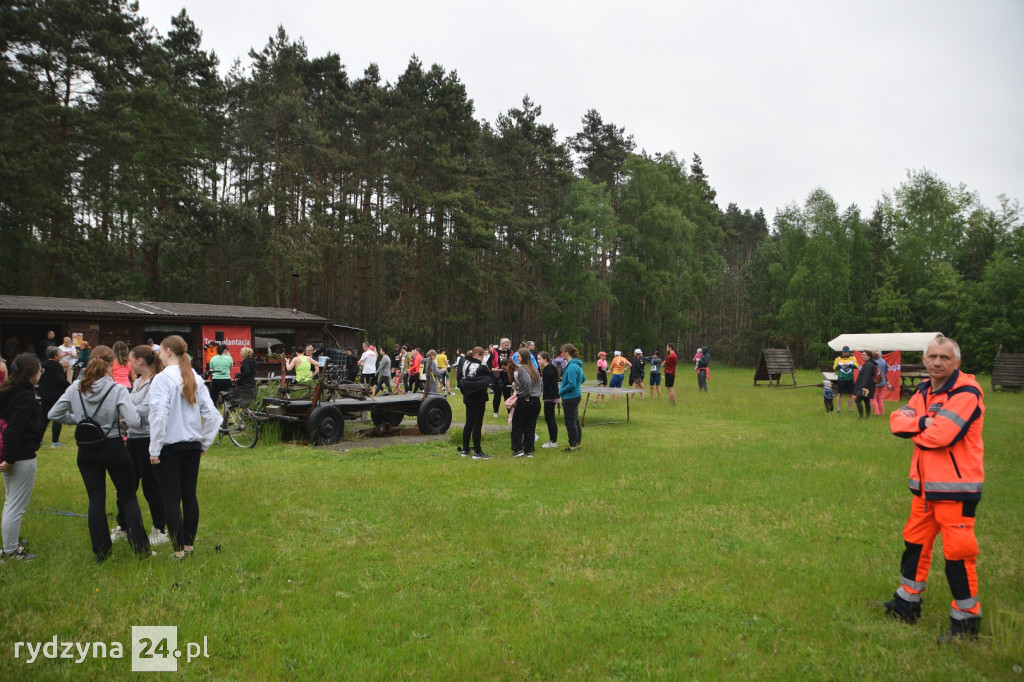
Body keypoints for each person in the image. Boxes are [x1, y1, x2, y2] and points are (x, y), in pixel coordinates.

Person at [883, 337, 985, 642]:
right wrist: (927, 421)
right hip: (924, 491)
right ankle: (906, 605)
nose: (937, 362)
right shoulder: (924, 390)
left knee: (958, 556)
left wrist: (918, 427)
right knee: (915, 545)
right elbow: (896, 422)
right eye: (932, 356)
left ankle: (966, 623)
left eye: (944, 357)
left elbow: (942, 436)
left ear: (956, 363)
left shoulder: (967, 392)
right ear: (925, 360)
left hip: (956, 492)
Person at [47, 345, 150, 562]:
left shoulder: (76, 387)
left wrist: (78, 420)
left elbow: (53, 413)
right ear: (110, 366)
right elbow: (133, 421)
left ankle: (102, 551)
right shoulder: (117, 390)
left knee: (95, 500)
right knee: (128, 497)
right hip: (113, 446)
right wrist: (119, 422)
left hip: (87, 450)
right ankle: (140, 548)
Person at [148, 335, 220, 560]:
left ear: (169, 351)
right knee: (189, 496)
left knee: (172, 498)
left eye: (160, 350)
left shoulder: (162, 379)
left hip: (171, 445)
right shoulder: (195, 378)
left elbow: (159, 415)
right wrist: (203, 442)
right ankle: (188, 546)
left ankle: (179, 550)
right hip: (191, 445)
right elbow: (213, 416)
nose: (158, 355)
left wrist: (154, 448)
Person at [111, 345, 168, 546]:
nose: (129, 363)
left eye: (131, 360)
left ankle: (160, 528)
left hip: (147, 438)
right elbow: (131, 405)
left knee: (151, 485)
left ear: (140, 361)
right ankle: (123, 525)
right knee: (127, 484)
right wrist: (128, 415)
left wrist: (128, 413)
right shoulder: (137, 382)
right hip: (133, 438)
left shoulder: (155, 382)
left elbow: (146, 408)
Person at [0, 353, 44, 561]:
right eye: (39, 370)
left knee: (11, 501)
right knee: (16, 506)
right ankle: (9, 551)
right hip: (20, 457)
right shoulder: (24, 396)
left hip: (10, 456)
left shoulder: (7, 391)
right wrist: (9, 458)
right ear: (32, 373)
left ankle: (11, 541)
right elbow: (14, 429)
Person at [458, 347, 493, 460]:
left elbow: (460, 378)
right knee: (477, 424)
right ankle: (477, 451)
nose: (483, 359)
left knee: (469, 422)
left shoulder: (464, 363)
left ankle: (465, 449)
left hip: (467, 396)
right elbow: (490, 378)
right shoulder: (482, 367)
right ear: (477, 355)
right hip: (479, 398)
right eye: (482, 356)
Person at [510, 349, 542, 458]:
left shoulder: (522, 368)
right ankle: (529, 450)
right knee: (530, 425)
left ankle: (518, 449)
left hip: (526, 399)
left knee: (518, 424)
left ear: (523, 357)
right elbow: (539, 384)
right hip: (536, 400)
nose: (517, 358)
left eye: (518, 356)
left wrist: (523, 393)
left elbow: (528, 382)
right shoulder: (534, 369)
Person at [38, 346, 70, 448]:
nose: (61, 355)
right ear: (56, 356)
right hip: (55, 395)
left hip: (44, 394)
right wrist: (68, 384)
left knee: (43, 418)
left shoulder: (42, 365)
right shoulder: (57, 366)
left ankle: (38, 440)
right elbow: (60, 380)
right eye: (60, 354)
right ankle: (55, 442)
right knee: (57, 417)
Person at [558, 344, 585, 452]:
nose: (561, 355)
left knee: (570, 422)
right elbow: (583, 378)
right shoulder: (576, 365)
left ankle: (572, 445)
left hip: (570, 397)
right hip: (575, 395)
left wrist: (560, 391)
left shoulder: (572, 366)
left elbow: (572, 384)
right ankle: (577, 444)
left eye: (562, 352)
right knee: (575, 420)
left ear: (566, 353)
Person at [539, 351, 560, 449]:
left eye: (539, 359)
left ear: (545, 359)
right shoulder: (549, 368)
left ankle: (553, 441)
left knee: (549, 418)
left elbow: (547, 383)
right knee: (551, 418)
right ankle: (553, 440)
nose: (538, 361)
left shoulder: (548, 369)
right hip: (551, 395)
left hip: (550, 396)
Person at [489, 339, 514, 417]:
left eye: (508, 345)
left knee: (508, 395)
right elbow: (488, 362)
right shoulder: (495, 351)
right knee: (497, 395)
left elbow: (513, 362)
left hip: (507, 376)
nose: (506, 347)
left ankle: (509, 412)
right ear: (501, 344)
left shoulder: (510, 352)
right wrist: (493, 369)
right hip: (498, 376)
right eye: (505, 345)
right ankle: (495, 412)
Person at [832, 345, 859, 414]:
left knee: (850, 394)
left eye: (847, 352)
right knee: (840, 394)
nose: (846, 354)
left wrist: (849, 365)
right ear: (842, 352)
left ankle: (851, 409)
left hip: (850, 378)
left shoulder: (852, 358)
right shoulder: (838, 358)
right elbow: (834, 368)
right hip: (841, 378)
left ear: (849, 352)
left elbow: (857, 366)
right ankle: (839, 409)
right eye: (844, 352)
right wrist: (839, 366)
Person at [854, 350, 878, 419]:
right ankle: (867, 417)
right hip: (869, 385)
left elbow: (866, 376)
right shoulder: (871, 363)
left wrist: (863, 386)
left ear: (868, 356)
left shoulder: (868, 365)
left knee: (858, 400)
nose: (862, 356)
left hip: (866, 386)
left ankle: (861, 416)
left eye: (864, 355)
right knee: (866, 400)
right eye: (862, 355)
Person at [871, 350, 890, 416]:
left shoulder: (873, 362)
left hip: (875, 382)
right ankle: (882, 413)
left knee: (873, 398)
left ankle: (877, 413)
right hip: (883, 381)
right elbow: (886, 371)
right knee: (880, 398)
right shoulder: (884, 361)